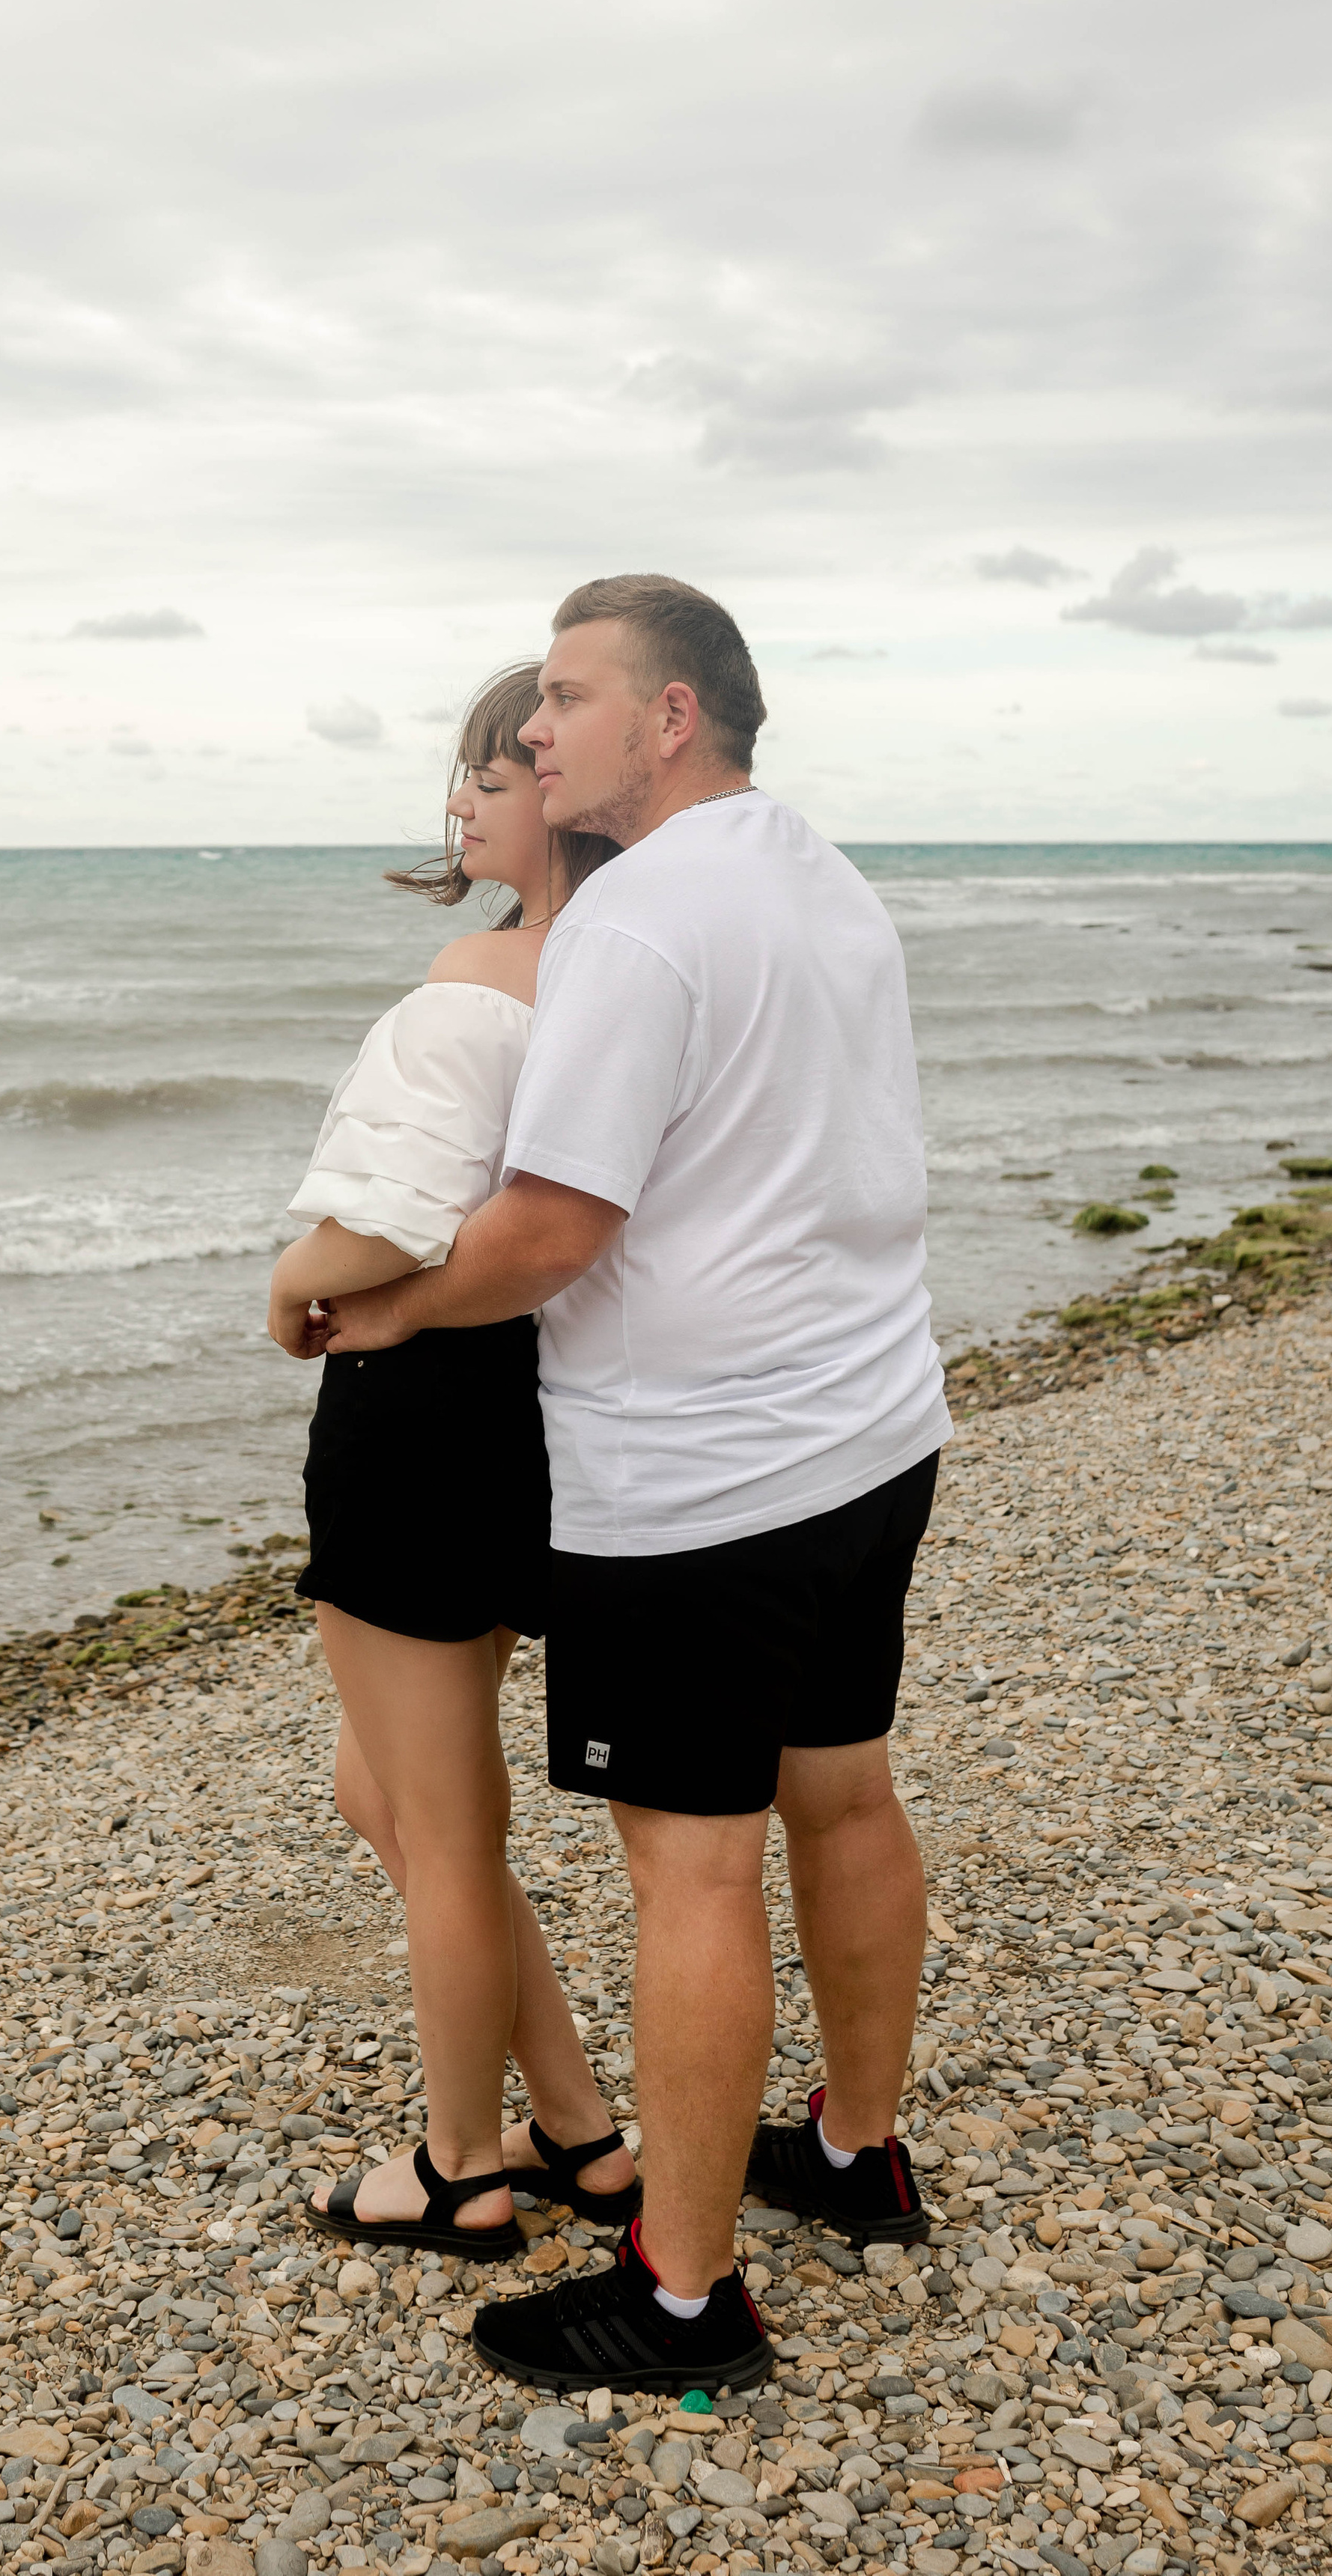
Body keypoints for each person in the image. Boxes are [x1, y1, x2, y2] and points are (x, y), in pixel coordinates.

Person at [317, 575, 949, 2393]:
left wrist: (378, 1309)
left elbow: (545, 1229)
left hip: (703, 1483)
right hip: (866, 1428)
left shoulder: (639, 919)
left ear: (667, 718)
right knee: (839, 1794)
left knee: (690, 1873)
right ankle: (853, 2150)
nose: (531, 732)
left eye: (567, 699)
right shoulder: (811, 871)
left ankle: (682, 2297)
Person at [265, 664, 638, 2260]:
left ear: (554, 785)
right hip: (541, 1408)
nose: (459, 802)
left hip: (417, 1408)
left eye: (488, 773)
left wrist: (289, 1287)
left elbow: (394, 1212)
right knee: (402, 1796)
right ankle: (580, 2132)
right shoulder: (636, 971)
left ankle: (457, 2168)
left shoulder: (483, 962)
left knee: (434, 1816)